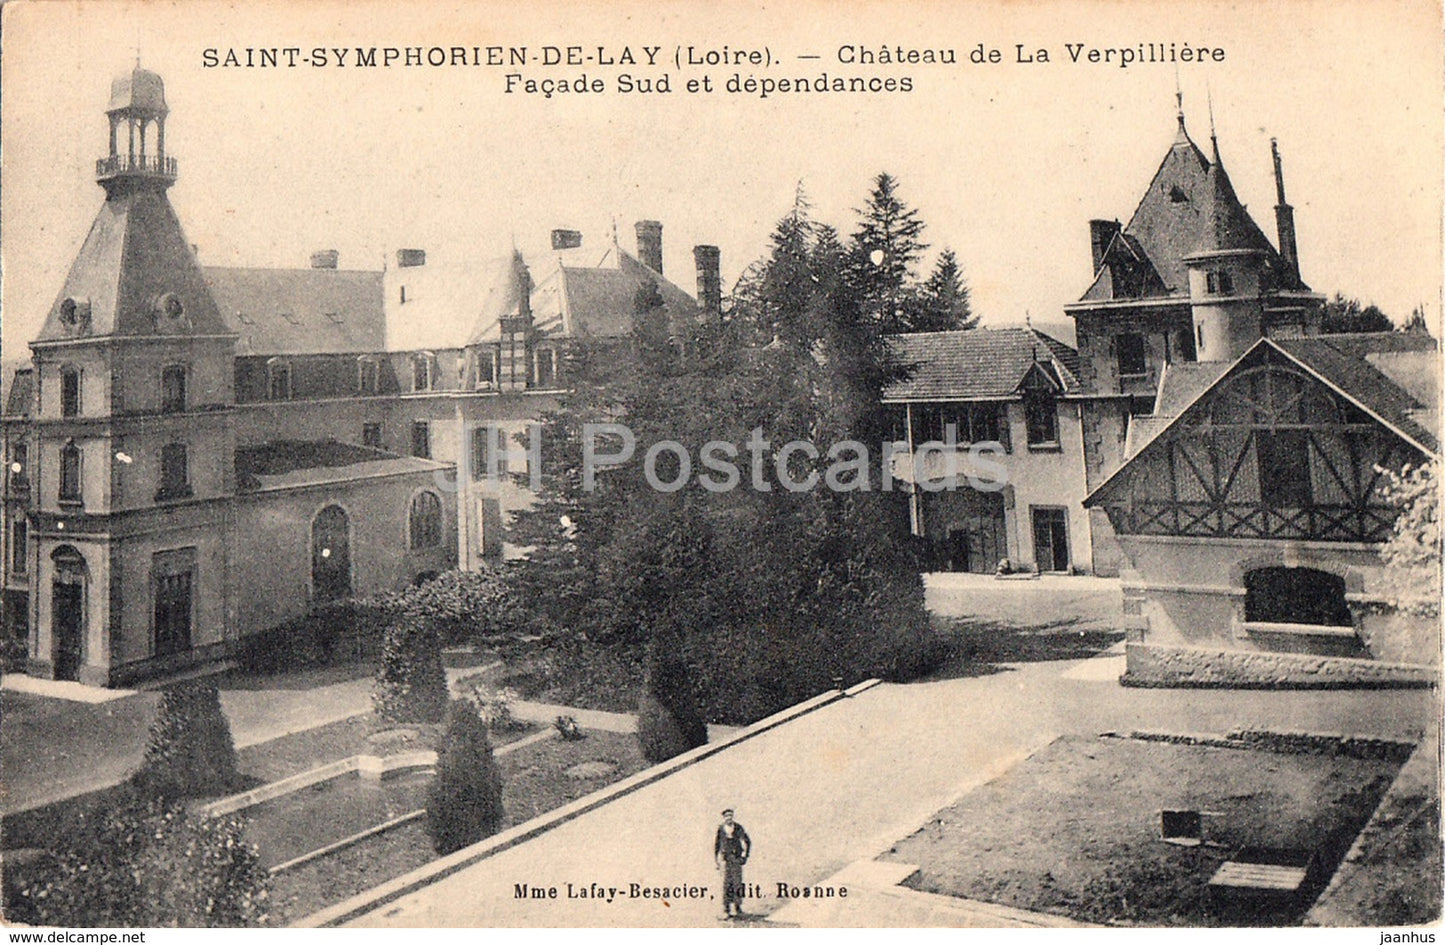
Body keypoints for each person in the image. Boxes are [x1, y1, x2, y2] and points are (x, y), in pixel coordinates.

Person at [714, 808, 752, 919]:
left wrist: (745, 856)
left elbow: (747, 841)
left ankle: (738, 908)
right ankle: (726, 910)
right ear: (724, 818)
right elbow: (717, 845)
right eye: (727, 816)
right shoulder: (721, 829)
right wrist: (716, 861)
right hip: (726, 860)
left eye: (730, 815)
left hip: (736, 859)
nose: (729, 818)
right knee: (727, 884)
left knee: (737, 883)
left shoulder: (738, 828)